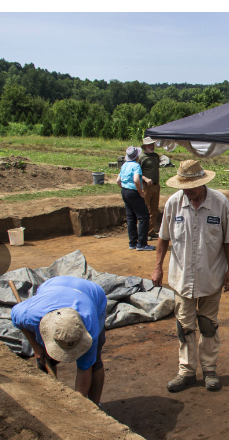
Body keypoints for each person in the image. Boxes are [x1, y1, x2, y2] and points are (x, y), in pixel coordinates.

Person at [151, 159, 229, 392]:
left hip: (211, 275)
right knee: (184, 326)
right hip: (181, 277)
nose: (187, 192)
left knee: (208, 325)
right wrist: (158, 267)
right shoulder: (173, 203)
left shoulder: (219, 203)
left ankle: (209, 370)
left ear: (201, 183)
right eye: (184, 187)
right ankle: (186, 371)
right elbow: (163, 238)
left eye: (191, 187)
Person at [11, 276, 108, 406]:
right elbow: (15, 318)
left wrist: (79, 403)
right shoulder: (30, 315)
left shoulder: (91, 329)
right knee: (45, 359)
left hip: (92, 293)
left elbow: (85, 368)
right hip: (53, 286)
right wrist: (36, 347)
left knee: (94, 361)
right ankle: (51, 405)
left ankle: (95, 407)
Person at [116, 145, 155, 251]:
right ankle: (142, 244)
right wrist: (140, 193)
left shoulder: (124, 165)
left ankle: (132, 242)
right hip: (133, 192)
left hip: (124, 191)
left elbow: (118, 180)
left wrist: (124, 188)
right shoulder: (136, 166)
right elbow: (136, 180)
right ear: (137, 156)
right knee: (144, 217)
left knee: (131, 217)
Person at [139, 136, 162, 240]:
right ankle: (144, 232)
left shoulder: (156, 156)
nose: (152, 146)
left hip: (156, 185)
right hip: (146, 186)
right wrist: (145, 178)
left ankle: (151, 231)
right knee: (146, 209)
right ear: (145, 146)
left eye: (152, 144)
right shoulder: (141, 157)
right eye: (149, 145)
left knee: (154, 210)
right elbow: (137, 173)